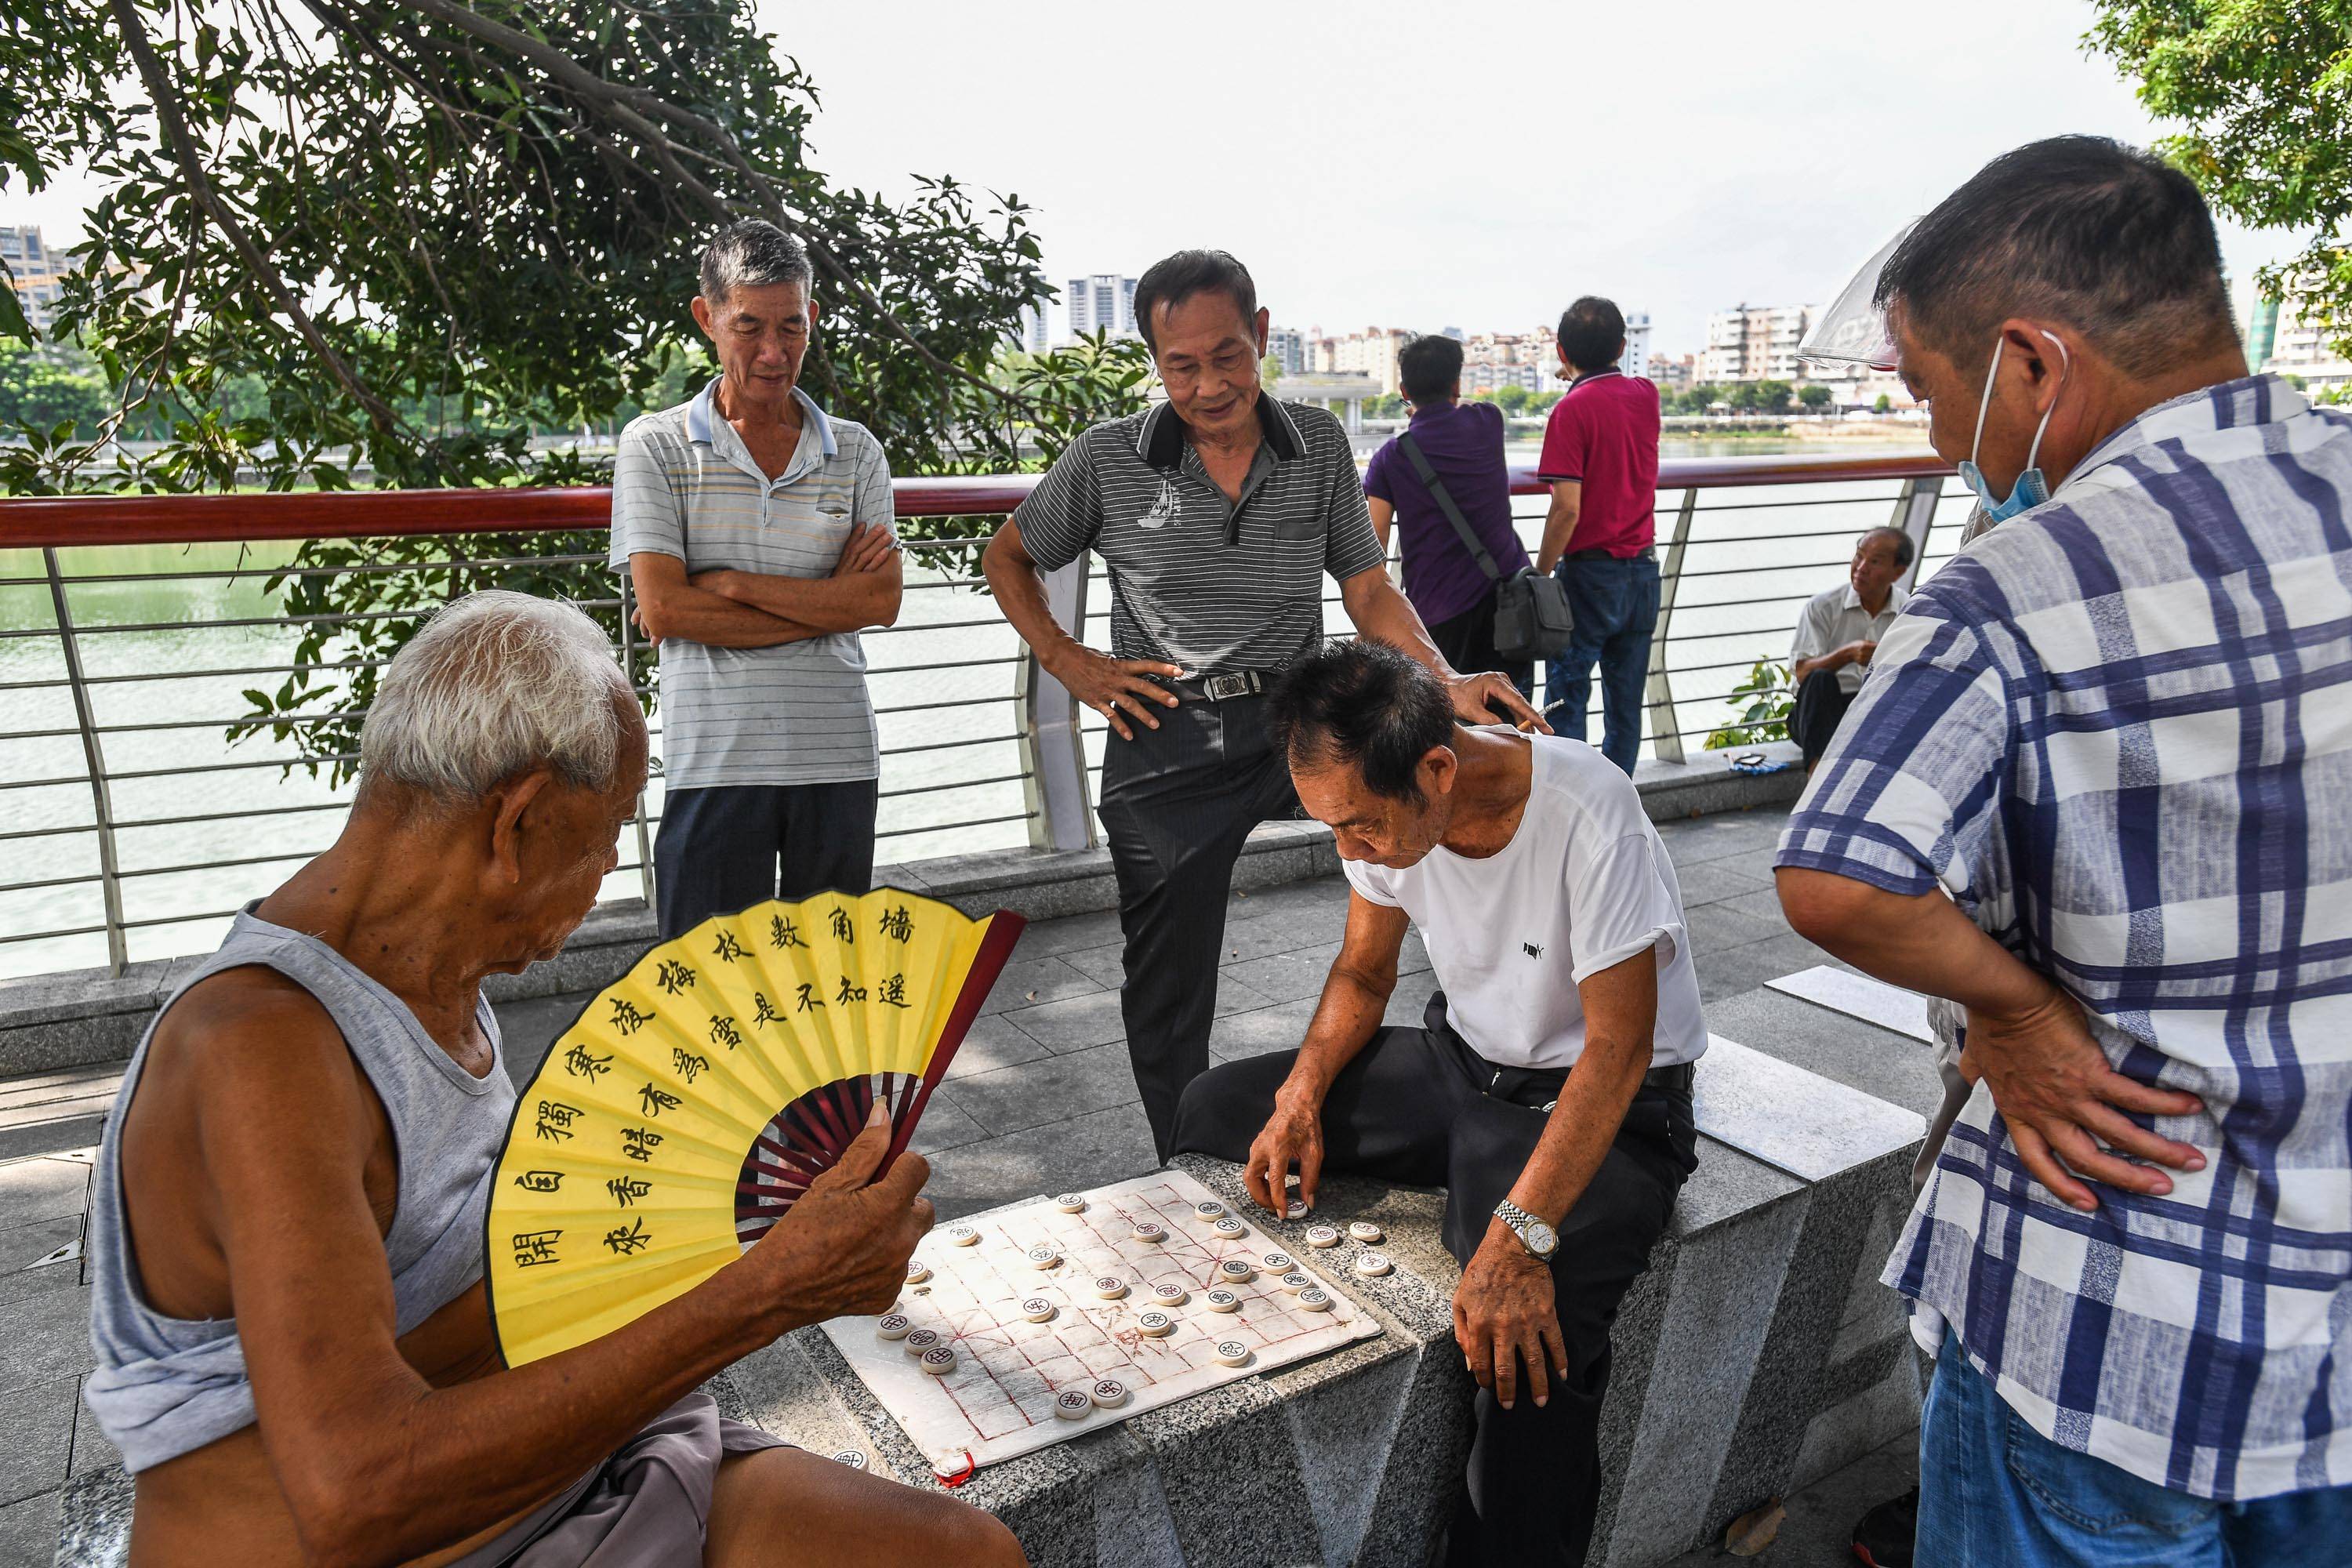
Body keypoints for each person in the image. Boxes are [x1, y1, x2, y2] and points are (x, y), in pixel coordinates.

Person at [80, 592, 1023, 1567]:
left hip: (569, 1467)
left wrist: (744, 1237)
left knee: (968, 1553)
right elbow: (359, 1490)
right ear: (516, 822)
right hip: (393, 1537)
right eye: (610, 830)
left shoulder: (437, 978)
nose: (615, 864)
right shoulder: (265, 1048)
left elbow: (465, 1304)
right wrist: (765, 1292)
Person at [1774, 135, 2352, 1568]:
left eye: (1928, 387)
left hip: (2117, 1308)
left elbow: (1839, 873)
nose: (1934, 437)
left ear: (2034, 365)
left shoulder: (2019, 586)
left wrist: (2018, 1006)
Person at [982, 249, 1547, 1160]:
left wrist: (1445, 682)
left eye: (1229, 355)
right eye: (1183, 364)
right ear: (1154, 361)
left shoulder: (1318, 443)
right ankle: (1185, 1159)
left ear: (1262, 335)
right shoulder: (1108, 458)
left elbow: (1367, 591)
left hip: (1300, 723)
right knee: (1166, 984)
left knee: (1445, 806)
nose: (1211, 385)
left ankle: (1513, 1061)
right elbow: (1006, 556)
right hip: (1165, 735)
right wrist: (1071, 660)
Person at [1173, 638, 1704, 1566]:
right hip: (1462, 1064)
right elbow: (1364, 969)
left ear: (1437, 767)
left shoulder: (1590, 808)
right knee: (1217, 1108)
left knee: (1524, 1340)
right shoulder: (1385, 817)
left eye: (1362, 826)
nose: (1351, 850)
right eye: (1331, 828)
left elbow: (1619, 1050)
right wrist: (1301, 1095)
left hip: (1599, 1102)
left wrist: (1518, 1237)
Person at [612, 219, 902, 939]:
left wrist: (734, 584)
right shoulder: (656, 445)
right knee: (709, 1003)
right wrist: (828, 604)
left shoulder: (858, 452)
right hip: (713, 761)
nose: (775, 353)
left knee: (830, 1001)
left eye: (792, 327)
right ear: (707, 318)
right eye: (750, 328)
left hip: (837, 756)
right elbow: (667, 610)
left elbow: (880, 600)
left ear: (811, 320)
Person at [1363, 333, 1536, 693]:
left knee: (1449, 728)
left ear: (1403, 389)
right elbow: (1468, 405)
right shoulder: (1488, 421)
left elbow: (1375, 538)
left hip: (1437, 615)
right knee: (1513, 721)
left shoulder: (1391, 457)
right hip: (1507, 605)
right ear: (1457, 383)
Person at [1534, 296, 1662, 775]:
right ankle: (1621, 804)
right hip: (1644, 572)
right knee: (1625, 705)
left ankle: (1572, 810)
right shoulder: (1646, 395)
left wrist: (1540, 573)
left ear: (1561, 351)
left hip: (1590, 575)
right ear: (1623, 346)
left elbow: (1567, 508)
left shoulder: (1571, 411)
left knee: (1567, 697)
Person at [1787, 525, 1912, 768]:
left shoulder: (1909, 610)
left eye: (1875, 561)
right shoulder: (1823, 607)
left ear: (1898, 572)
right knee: (1820, 679)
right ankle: (1817, 779)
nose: (1861, 567)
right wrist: (1847, 654)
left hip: (1870, 710)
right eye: (1859, 555)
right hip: (1818, 711)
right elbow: (1802, 673)